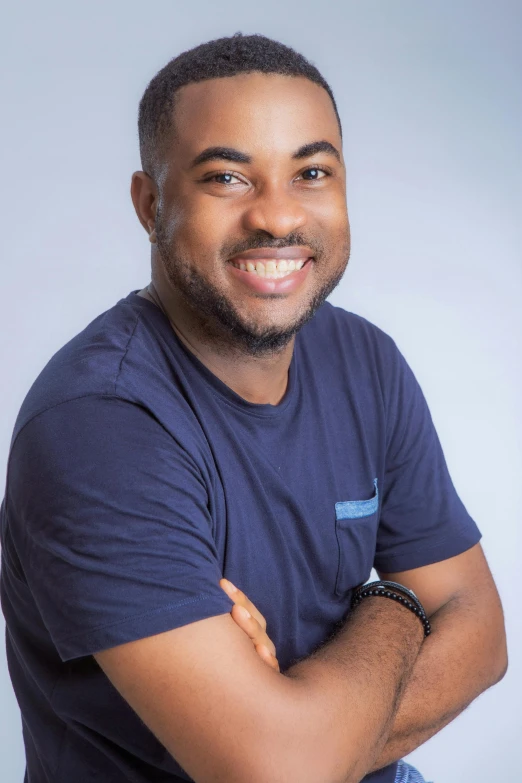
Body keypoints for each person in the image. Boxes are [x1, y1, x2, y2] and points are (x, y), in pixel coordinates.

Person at [0, 32, 507, 783]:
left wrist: (316, 736)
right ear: (151, 204)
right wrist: (400, 605)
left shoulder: (365, 361)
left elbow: (484, 637)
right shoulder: (98, 424)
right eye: (228, 178)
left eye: (310, 171)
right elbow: (273, 775)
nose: (277, 217)